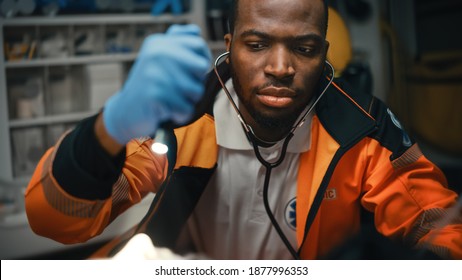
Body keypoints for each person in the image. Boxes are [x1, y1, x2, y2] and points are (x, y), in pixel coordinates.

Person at [24, 0, 462, 260]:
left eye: (304, 49)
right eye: (256, 45)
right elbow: (52, 218)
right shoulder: (180, 121)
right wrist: (110, 127)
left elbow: (440, 229)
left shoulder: (364, 130)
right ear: (228, 44)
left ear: (324, 54)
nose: (280, 67)